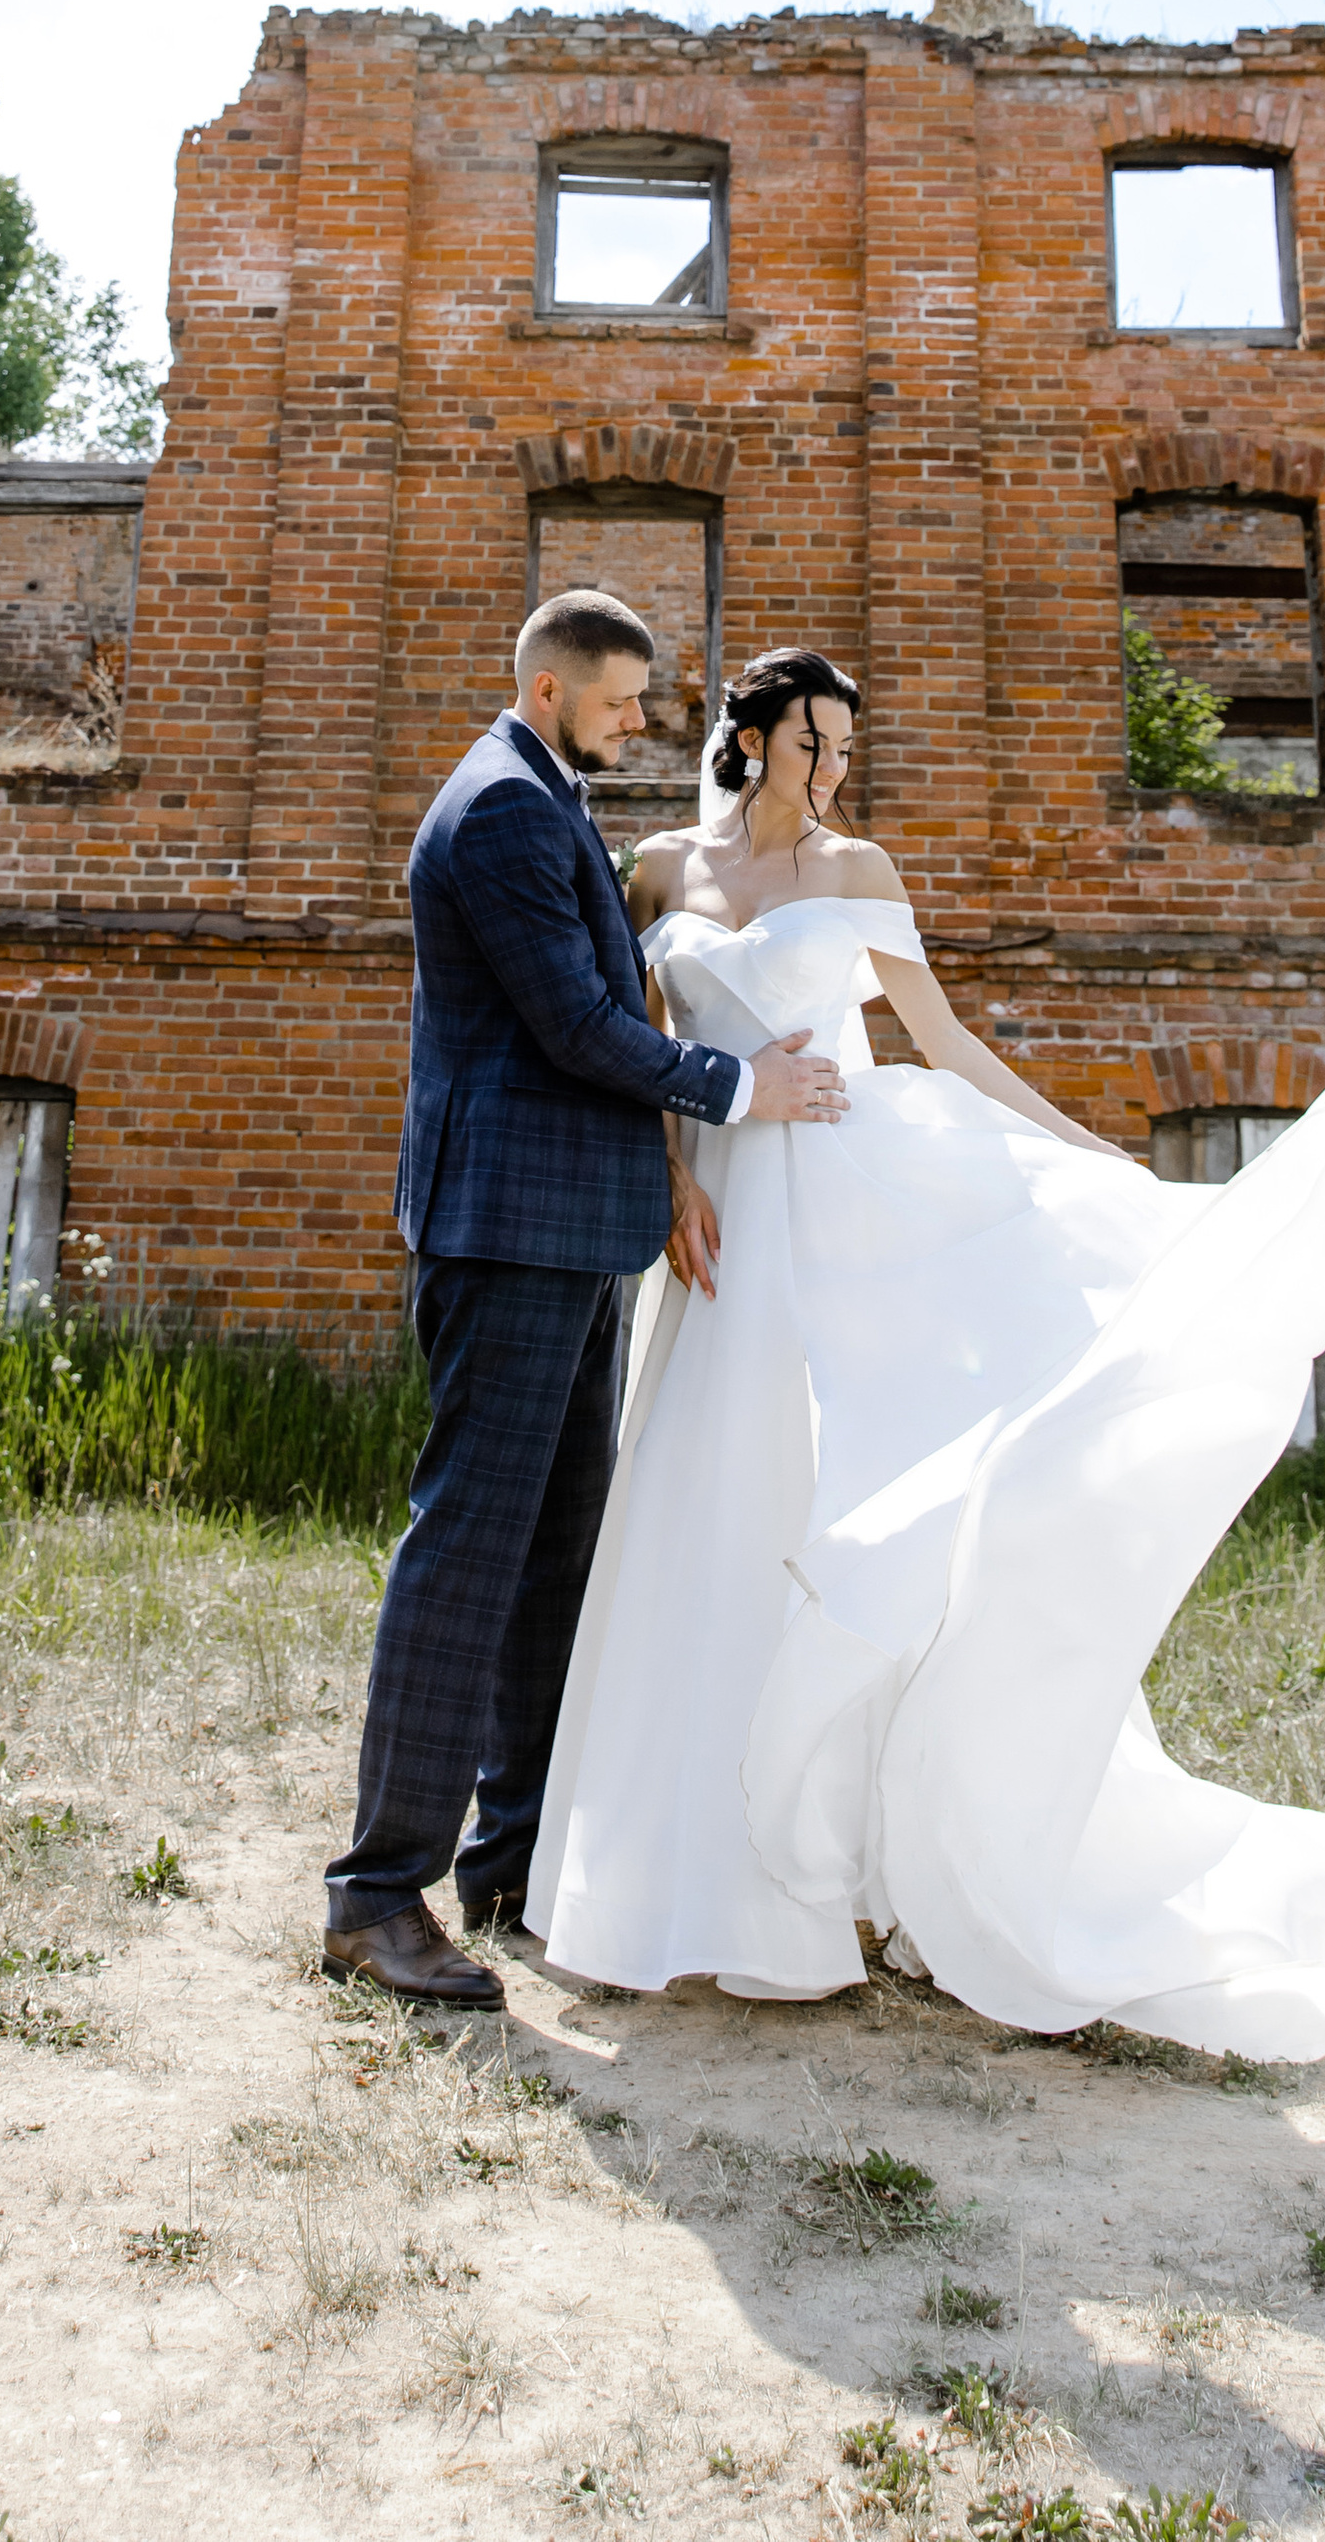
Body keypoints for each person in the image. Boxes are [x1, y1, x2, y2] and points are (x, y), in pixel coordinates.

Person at [522, 646, 1325, 2057]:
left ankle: (838, 1871)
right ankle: (672, 1875)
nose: (833, 769)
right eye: (813, 743)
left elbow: (938, 1036)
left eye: (848, 747)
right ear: (749, 736)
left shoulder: (861, 875)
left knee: (850, 1515)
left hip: (852, 1206)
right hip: (725, 1223)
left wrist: (1084, 1148)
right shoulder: (659, 870)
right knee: (703, 1507)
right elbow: (644, 1037)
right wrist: (678, 1176)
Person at [321, 589, 851, 2009]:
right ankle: (379, 1895)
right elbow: (577, 1024)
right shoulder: (500, 806)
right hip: (507, 1234)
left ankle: (513, 1851)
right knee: (470, 1549)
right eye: (620, 701)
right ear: (553, 689)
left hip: (568, 1231)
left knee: (556, 1553)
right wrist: (746, 1089)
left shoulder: (546, 797)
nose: (640, 723)